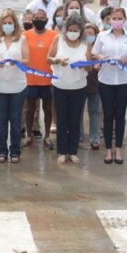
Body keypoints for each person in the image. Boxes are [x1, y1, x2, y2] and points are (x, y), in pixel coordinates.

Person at [92, 8, 127, 164]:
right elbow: (95, 53)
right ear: (109, 20)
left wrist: (123, 61)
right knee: (107, 115)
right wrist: (102, 58)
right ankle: (107, 150)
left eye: (120, 18)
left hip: (124, 82)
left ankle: (118, 149)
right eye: (114, 18)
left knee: (120, 116)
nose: (117, 21)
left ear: (125, 20)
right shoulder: (101, 36)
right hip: (105, 81)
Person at [48, 14, 91, 163]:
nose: (73, 32)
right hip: (60, 85)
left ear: (81, 30)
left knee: (75, 119)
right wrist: (58, 61)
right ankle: (61, 151)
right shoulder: (58, 40)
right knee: (62, 119)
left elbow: (90, 66)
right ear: (65, 29)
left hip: (79, 86)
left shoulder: (86, 44)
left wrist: (85, 65)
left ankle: (72, 151)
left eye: (76, 30)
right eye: (70, 29)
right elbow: (49, 58)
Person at [0, 9, 29, 163]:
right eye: (4, 23)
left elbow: (27, 59)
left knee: (15, 119)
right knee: (1, 119)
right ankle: (1, 150)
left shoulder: (22, 39)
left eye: (10, 23)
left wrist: (17, 62)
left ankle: (15, 150)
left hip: (18, 85)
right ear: (1, 24)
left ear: (15, 24)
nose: (7, 25)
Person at [24, 9, 56, 149]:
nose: (39, 20)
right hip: (30, 79)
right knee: (30, 110)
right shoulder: (25, 35)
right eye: (36, 18)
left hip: (48, 80)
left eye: (42, 17)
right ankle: (28, 135)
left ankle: (47, 136)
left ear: (47, 19)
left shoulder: (54, 36)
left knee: (48, 109)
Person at [81, 23, 102, 150]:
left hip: (95, 85)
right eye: (86, 33)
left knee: (94, 112)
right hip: (80, 85)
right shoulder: (78, 47)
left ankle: (95, 138)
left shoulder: (100, 49)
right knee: (78, 113)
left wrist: (98, 60)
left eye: (91, 33)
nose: (89, 36)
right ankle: (78, 137)